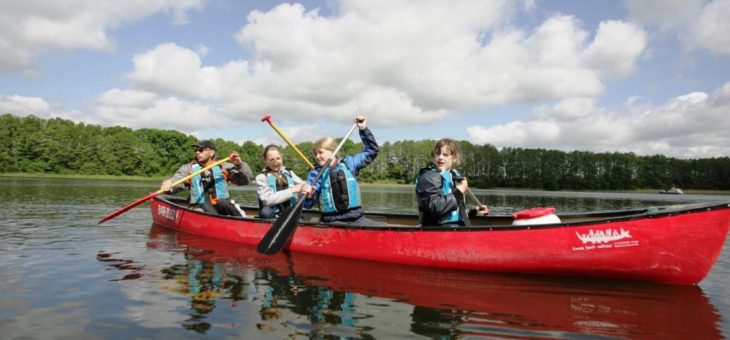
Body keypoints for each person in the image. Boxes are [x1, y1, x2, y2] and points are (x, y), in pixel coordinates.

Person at [302, 115, 380, 225]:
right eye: (315, 153)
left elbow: (373, 150)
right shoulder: (316, 174)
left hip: (357, 219)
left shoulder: (350, 163)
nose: (317, 156)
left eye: (320, 152)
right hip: (332, 221)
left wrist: (363, 129)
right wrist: (309, 196)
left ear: (332, 151)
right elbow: (307, 205)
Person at [161, 140, 253, 217]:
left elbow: (246, 180)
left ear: (211, 152)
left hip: (221, 204)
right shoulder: (188, 168)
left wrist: (240, 165)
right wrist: (169, 184)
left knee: (225, 203)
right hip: (200, 206)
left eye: (201, 150)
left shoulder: (225, 166)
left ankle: (244, 222)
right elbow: (176, 181)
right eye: (196, 150)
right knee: (203, 204)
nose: (197, 152)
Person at [415, 138, 488, 226]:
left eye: (445, 154)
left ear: (454, 158)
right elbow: (435, 207)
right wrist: (459, 190)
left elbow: (454, 209)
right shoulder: (429, 176)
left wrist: (474, 212)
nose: (440, 157)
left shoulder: (452, 175)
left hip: (454, 228)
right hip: (437, 230)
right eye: (438, 154)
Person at [255, 144, 308, 219]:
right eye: (271, 160)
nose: (275, 162)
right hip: (273, 215)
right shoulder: (261, 178)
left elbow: (303, 185)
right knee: (265, 212)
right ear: (265, 161)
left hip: (289, 212)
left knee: (298, 209)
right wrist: (292, 190)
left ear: (282, 158)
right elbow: (267, 200)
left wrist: (307, 188)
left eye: (278, 158)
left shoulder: (290, 173)